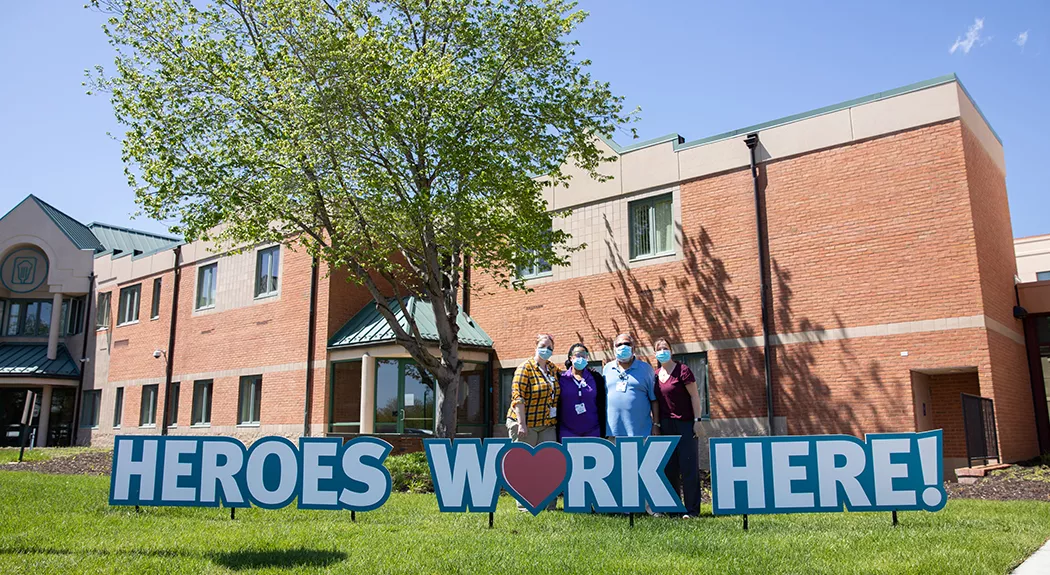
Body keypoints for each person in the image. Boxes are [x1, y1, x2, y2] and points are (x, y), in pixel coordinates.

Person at [506, 333, 561, 510]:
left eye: (550, 347)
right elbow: (517, 398)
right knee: (524, 466)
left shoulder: (552, 369)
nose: (547, 350)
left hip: (546, 424)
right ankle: (524, 506)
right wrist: (522, 424)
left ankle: (549, 505)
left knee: (549, 464)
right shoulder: (525, 368)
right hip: (525, 424)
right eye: (544, 346)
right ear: (536, 346)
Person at [652, 338, 703, 519]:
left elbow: (695, 397)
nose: (662, 351)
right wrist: (656, 424)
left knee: (688, 466)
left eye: (665, 348)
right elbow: (656, 402)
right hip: (666, 425)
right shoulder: (656, 375)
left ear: (671, 351)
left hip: (685, 423)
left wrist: (697, 420)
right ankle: (674, 508)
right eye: (659, 349)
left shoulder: (683, 370)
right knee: (670, 468)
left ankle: (692, 510)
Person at [602, 333, 659, 439]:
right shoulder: (607, 369)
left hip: (640, 432)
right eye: (619, 345)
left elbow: (654, 400)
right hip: (613, 432)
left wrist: (656, 424)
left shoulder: (646, 369)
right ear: (614, 349)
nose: (623, 347)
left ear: (634, 348)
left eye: (627, 343)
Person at [557, 343, 606, 439]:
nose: (581, 358)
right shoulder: (561, 379)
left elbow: (602, 403)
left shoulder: (596, 378)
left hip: (593, 431)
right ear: (571, 358)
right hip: (567, 432)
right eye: (578, 354)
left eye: (584, 355)